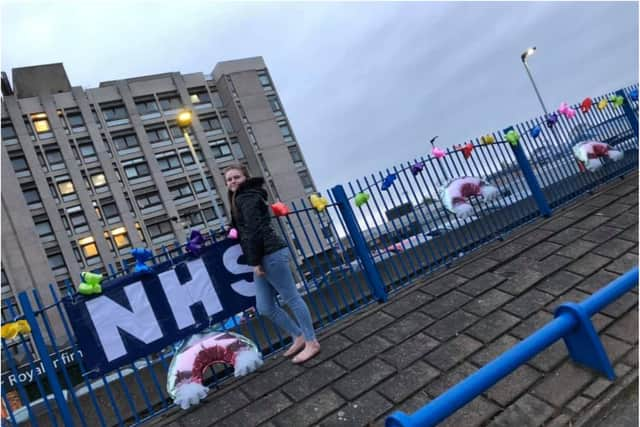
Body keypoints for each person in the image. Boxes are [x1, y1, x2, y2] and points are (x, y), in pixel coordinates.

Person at [223, 164, 320, 363]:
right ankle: (298, 335)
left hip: (269, 254)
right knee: (265, 306)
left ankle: (312, 341)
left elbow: (254, 231)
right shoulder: (241, 197)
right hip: (264, 255)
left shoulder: (246, 197)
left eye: (236, 177)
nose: (232, 181)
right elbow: (245, 225)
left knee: (292, 298)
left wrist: (256, 262)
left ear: (245, 178)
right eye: (229, 179)